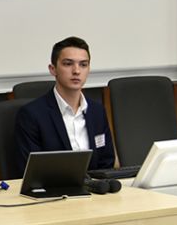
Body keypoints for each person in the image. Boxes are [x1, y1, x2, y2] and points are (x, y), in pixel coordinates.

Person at [14, 36, 115, 177]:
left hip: (94, 188)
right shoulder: (31, 114)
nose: (76, 71)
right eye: (68, 64)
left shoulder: (97, 111)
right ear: (53, 69)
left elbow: (106, 161)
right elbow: (31, 171)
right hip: (54, 189)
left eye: (83, 65)